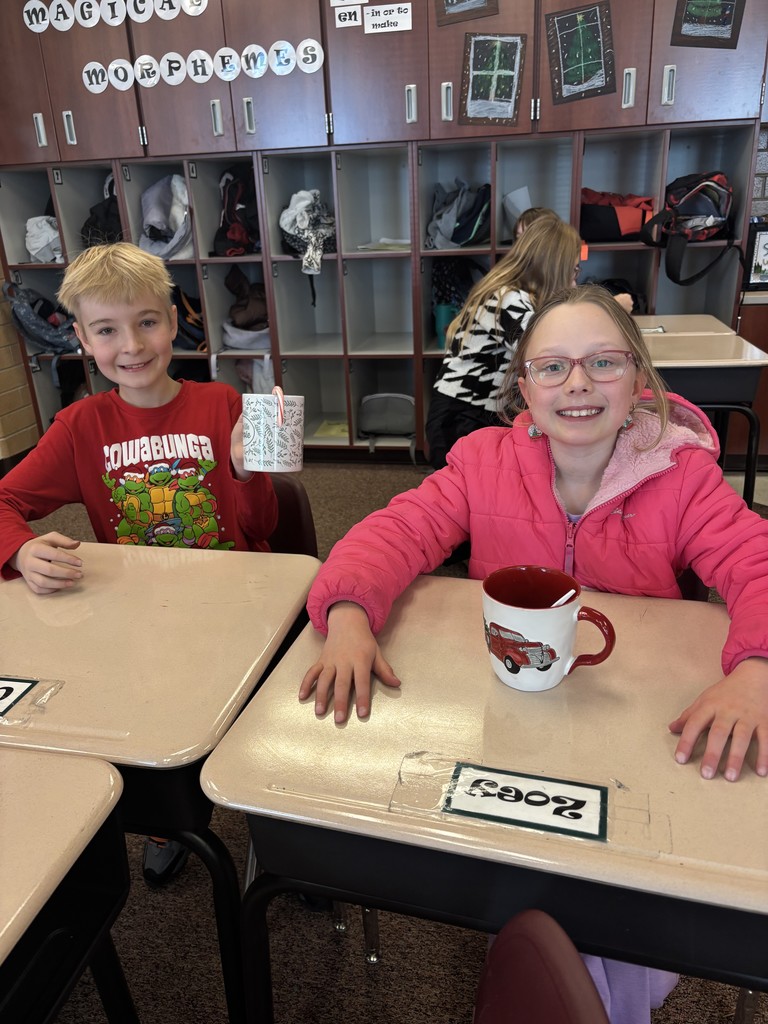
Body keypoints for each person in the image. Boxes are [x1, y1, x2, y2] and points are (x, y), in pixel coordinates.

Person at [300, 284, 768, 1023]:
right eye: (552, 367)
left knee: (617, 894)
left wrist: (757, 670)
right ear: (523, 388)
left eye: (602, 363)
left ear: (640, 381)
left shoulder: (684, 477)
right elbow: (395, 531)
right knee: (548, 886)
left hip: (631, 727)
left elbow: (756, 563)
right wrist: (352, 615)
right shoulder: (484, 461)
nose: (577, 383)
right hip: (510, 724)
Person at [0, 242, 278, 886]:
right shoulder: (79, 426)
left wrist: (244, 471)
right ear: (82, 338)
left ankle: (271, 817)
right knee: (147, 698)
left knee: (260, 714)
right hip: (141, 616)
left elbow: (263, 528)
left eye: (147, 321)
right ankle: (166, 813)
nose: (131, 344)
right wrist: (18, 547)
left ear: (175, 318)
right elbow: (6, 499)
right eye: (107, 329)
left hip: (238, 604)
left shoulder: (224, 404)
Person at [425, 214, 578, 469]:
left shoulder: (518, 296)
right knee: (465, 498)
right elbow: (547, 354)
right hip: (463, 415)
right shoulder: (509, 300)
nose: (574, 281)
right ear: (555, 267)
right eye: (573, 271)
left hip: (479, 411)